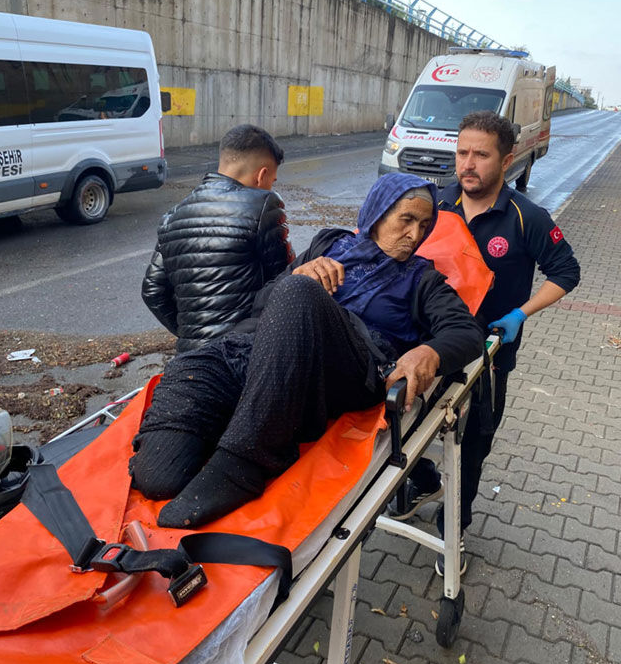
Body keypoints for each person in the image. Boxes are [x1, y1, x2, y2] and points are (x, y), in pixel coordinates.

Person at [129, 173, 484, 530]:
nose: (415, 235)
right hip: (254, 352)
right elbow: (262, 303)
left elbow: (467, 331)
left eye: (424, 225)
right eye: (406, 220)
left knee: (299, 293)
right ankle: (224, 428)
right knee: (159, 472)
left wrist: (429, 351)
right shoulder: (329, 243)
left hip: (346, 365)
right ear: (377, 214)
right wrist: (300, 271)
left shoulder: (423, 280)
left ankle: (246, 461)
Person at [387, 111, 580, 575]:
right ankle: (422, 480)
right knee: (406, 427)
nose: (467, 164)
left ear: (507, 159)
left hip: (490, 356)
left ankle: (455, 525)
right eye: (461, 153)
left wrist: (520, 314)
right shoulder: (437, 205)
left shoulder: (526, 217)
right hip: (431, 347)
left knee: (475, 441)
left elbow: (566, 273)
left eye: (480, 154)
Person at [141, 124, 292, 351]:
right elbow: (285, 282)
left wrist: (191, 336)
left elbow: (152, 291)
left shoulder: (172, 217)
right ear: (262, 175)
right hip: (245, 354)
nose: (271, 186)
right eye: (273, 179)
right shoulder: (263, 204)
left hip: (192, 362)